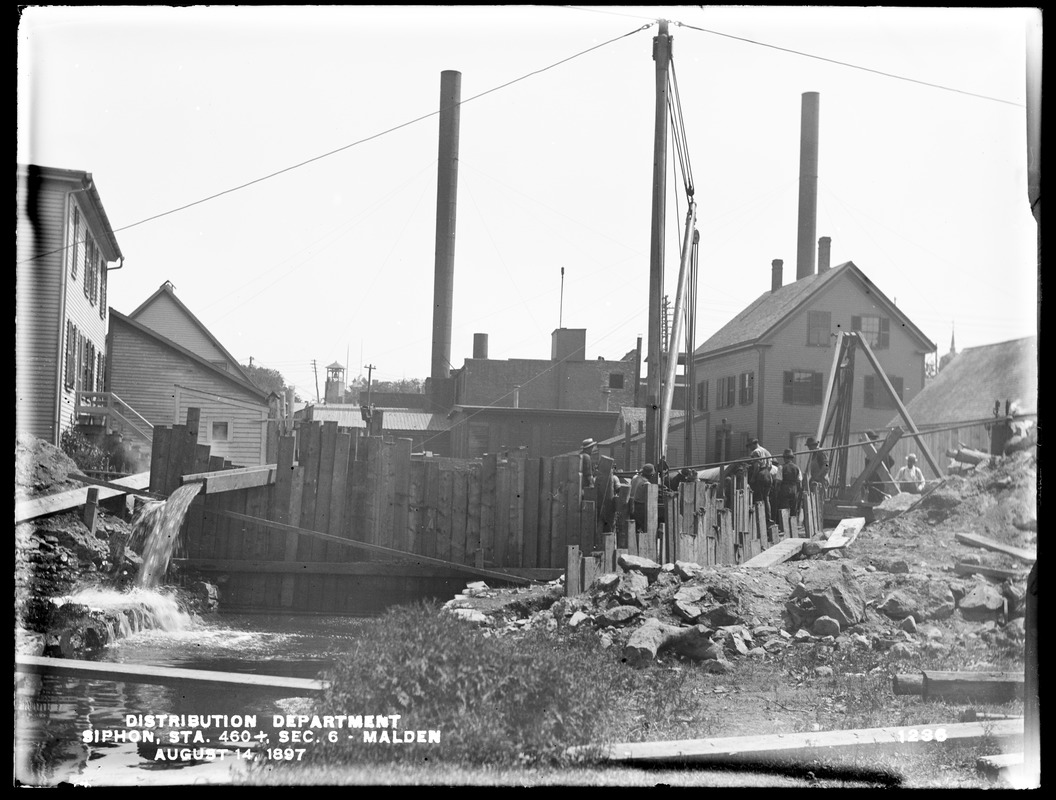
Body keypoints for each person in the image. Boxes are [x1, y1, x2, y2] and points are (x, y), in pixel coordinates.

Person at [746, 438, 774, 524]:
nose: (749, 448)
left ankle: (761, 520)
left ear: (754, 444)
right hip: (768, 474)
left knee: (760, 498)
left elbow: (757, 466)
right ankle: (768, 519)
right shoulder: (766, 451)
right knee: (766, 498)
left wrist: (753, 478)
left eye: (750, 446)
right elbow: (770, 466)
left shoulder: (756, 452)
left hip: (761, 474)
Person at [774, 448, 802, 529]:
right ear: (791, 458)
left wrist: (777, 492)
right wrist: (798, 492)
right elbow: (799, 482)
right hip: (794, 489)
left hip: (784, 489)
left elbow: (778, 481)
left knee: (784, 509)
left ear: (785, 458)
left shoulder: (781, 467)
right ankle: (793, 528)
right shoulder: (797, 468)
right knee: (793, 509)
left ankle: (784, 527)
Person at [863, 430, 895, 503]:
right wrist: (885, 471)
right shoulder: (882, 451)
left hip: (874, 482)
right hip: (883, 481)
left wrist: (879, 470)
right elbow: (892, 461)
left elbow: (867, 470)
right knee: (880, 500)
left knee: (873, 501)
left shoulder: (870, 454)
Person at [627, 463, 658, 533]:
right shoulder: (646, 484)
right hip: (640, 506)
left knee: (634, 527)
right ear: (650, 475)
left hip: (631, 503)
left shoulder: (635, 478)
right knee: (642, 527)